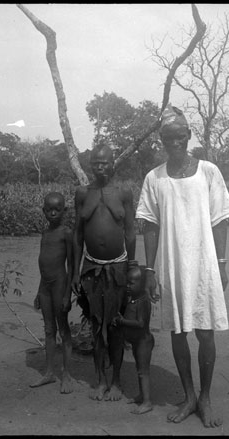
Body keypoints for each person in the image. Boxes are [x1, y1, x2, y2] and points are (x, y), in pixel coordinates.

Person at [135, 104, 229, 428]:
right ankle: (189, 395)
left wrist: (221, 264)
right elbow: (150, 225)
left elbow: (220, 220)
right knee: (179, 331)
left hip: (204, 262)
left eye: (179, 137)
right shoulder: (155, 178)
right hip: (171, 264)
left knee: (205, 332)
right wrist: (149, 271)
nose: (174, 143)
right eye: (168, 138)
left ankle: (205, 398)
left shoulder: (208, 171)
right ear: (162, 141)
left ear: (189, 136)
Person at [72, 143, 136, 401]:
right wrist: (75, 273)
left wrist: (133, 267)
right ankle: (100, 381)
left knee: (117, 327)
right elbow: (77, 235)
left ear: (113, 164)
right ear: (90, 165)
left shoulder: (123, 193)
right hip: (91, 268)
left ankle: (117, 382)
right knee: (97, 327)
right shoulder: (82, 193)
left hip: (119, 267)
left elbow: (131, 232)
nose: (100, 167)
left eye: (105, 162)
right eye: (96, 163)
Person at [31, 192, 74, 393]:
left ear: (64, 210)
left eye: (57, 209)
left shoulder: (66, 233)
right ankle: (49, 373)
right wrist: (39, 291)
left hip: (59, 285)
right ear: (44, 211)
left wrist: (67, 294)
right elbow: (43, 265)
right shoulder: (45, 234)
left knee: (63, 329)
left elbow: (72, 266)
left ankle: (66, 374)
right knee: (49, 330)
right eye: (49, 210)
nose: (53, 213)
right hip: (46, 287)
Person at [112, 261, 154, 414]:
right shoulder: (134, 299)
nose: (128, 286)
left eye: (132, 283)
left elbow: (141, 323)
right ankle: (142, 395)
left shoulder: (143, 302)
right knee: (139, 369)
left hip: (144, 341)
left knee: (143, 371)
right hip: (136, 341)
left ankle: (147, 402)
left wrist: (122, 321)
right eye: (127, 283)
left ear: (142, 285)